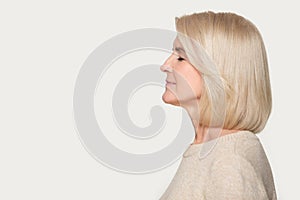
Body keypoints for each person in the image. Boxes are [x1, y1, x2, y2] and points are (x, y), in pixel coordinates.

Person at [159, 11, 277, 200]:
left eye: (181, 58)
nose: (165, 65)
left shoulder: (229, 163)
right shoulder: (211, 151)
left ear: (217, 70)